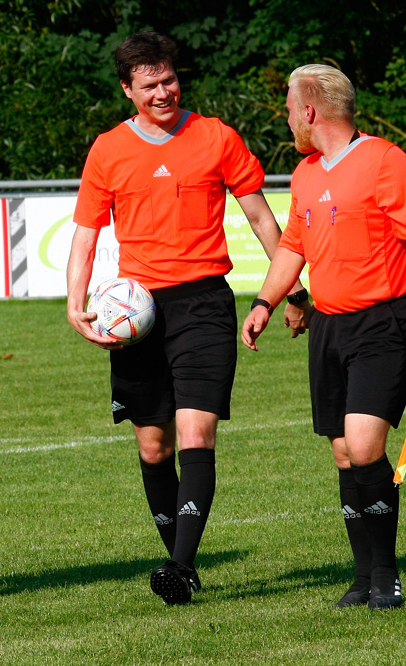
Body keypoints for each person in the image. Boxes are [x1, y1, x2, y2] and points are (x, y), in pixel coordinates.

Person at [66, 31, 308, 605]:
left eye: (169, 80)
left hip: (203, 304)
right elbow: (84, 236)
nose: (163, 92)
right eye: (149, 85)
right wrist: (76, 306)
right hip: (137, 314)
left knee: (197, 432)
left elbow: (263, 219)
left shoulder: (216, 136)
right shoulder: (107, 150)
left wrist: (291, 290)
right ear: (128, 90)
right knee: (153, 446)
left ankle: (179, 566)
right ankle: (184, 560)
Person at [241, 64, 406, 610]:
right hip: (327, 325)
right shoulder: (307, 172)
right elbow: (293, 246)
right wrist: (268, 301)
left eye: (290, 107)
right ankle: (362, 578)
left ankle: (387, 576)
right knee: (342, 453)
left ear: (309, 111)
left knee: (364, 446)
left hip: (383, 322)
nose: (289, 117)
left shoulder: (388, 162)